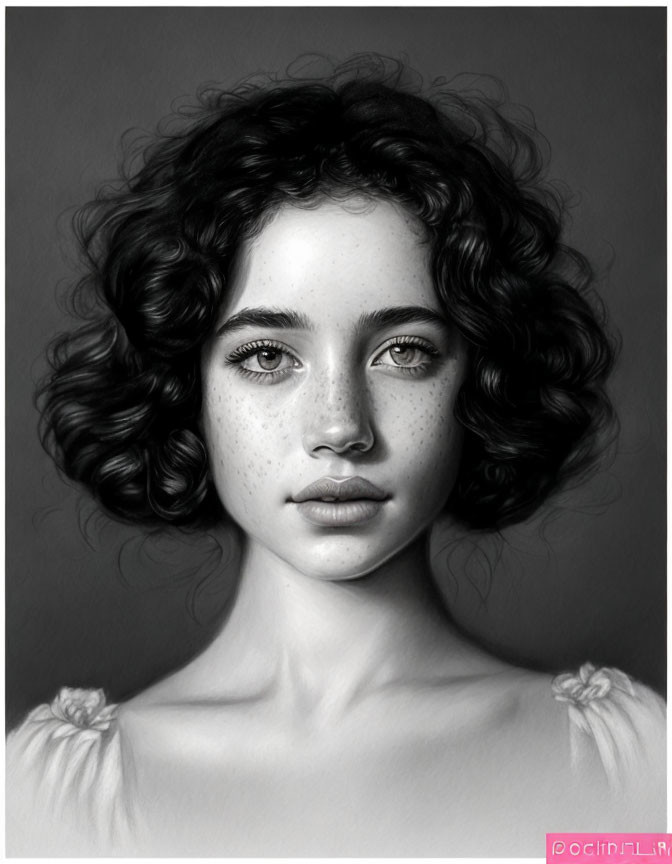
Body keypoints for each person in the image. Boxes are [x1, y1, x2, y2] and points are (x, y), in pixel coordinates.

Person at [6, 57, 665, 857]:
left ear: (483, 377)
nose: (340, 426)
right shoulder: (53, 798)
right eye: (265, 358)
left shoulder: (627, 768)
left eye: (403, 352)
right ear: (187, 391)